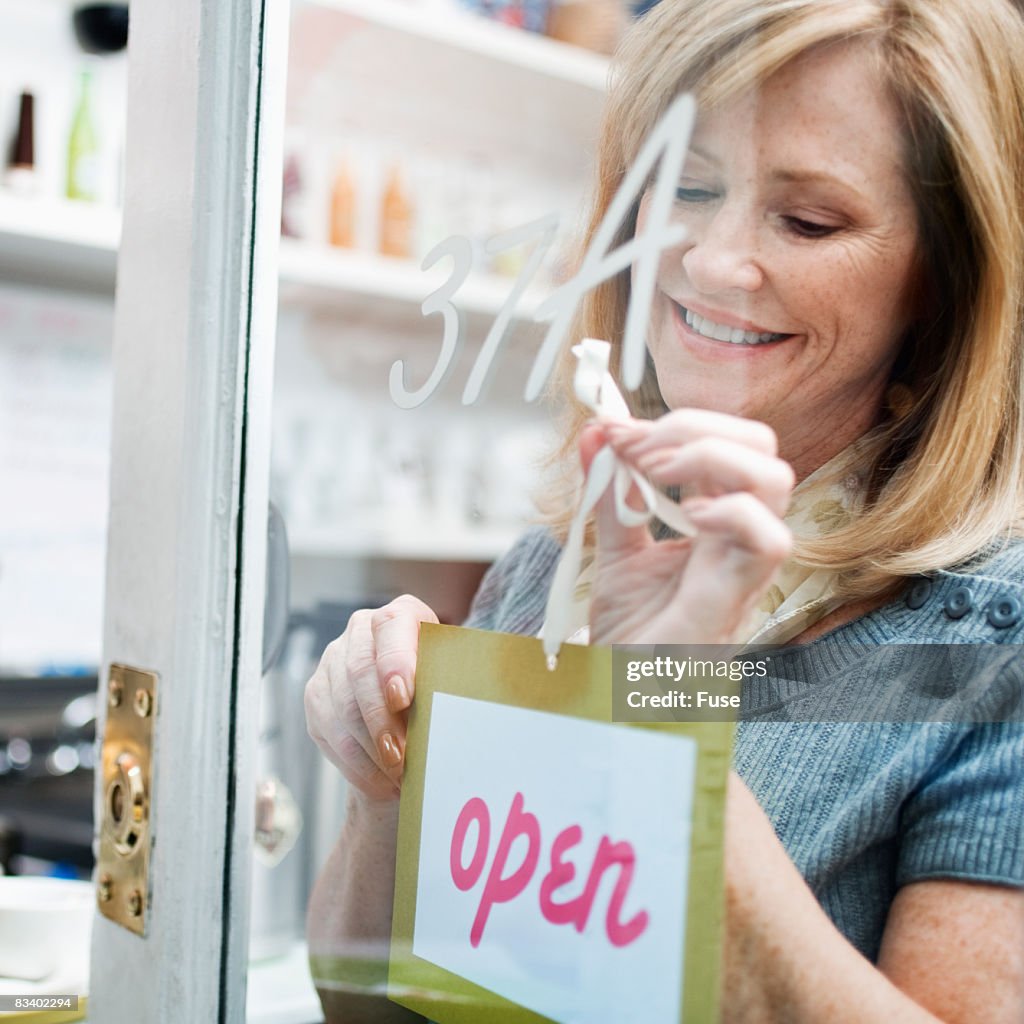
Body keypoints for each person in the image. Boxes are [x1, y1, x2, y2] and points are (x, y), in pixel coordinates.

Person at [304, 0, 1024, 1020]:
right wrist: (384, 787)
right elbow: (369, 1007)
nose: (710, 260)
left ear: (942, 282)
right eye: (684, 186)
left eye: (809, 219)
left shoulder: (992, 646)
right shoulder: (544, 570)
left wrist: (665, 720)